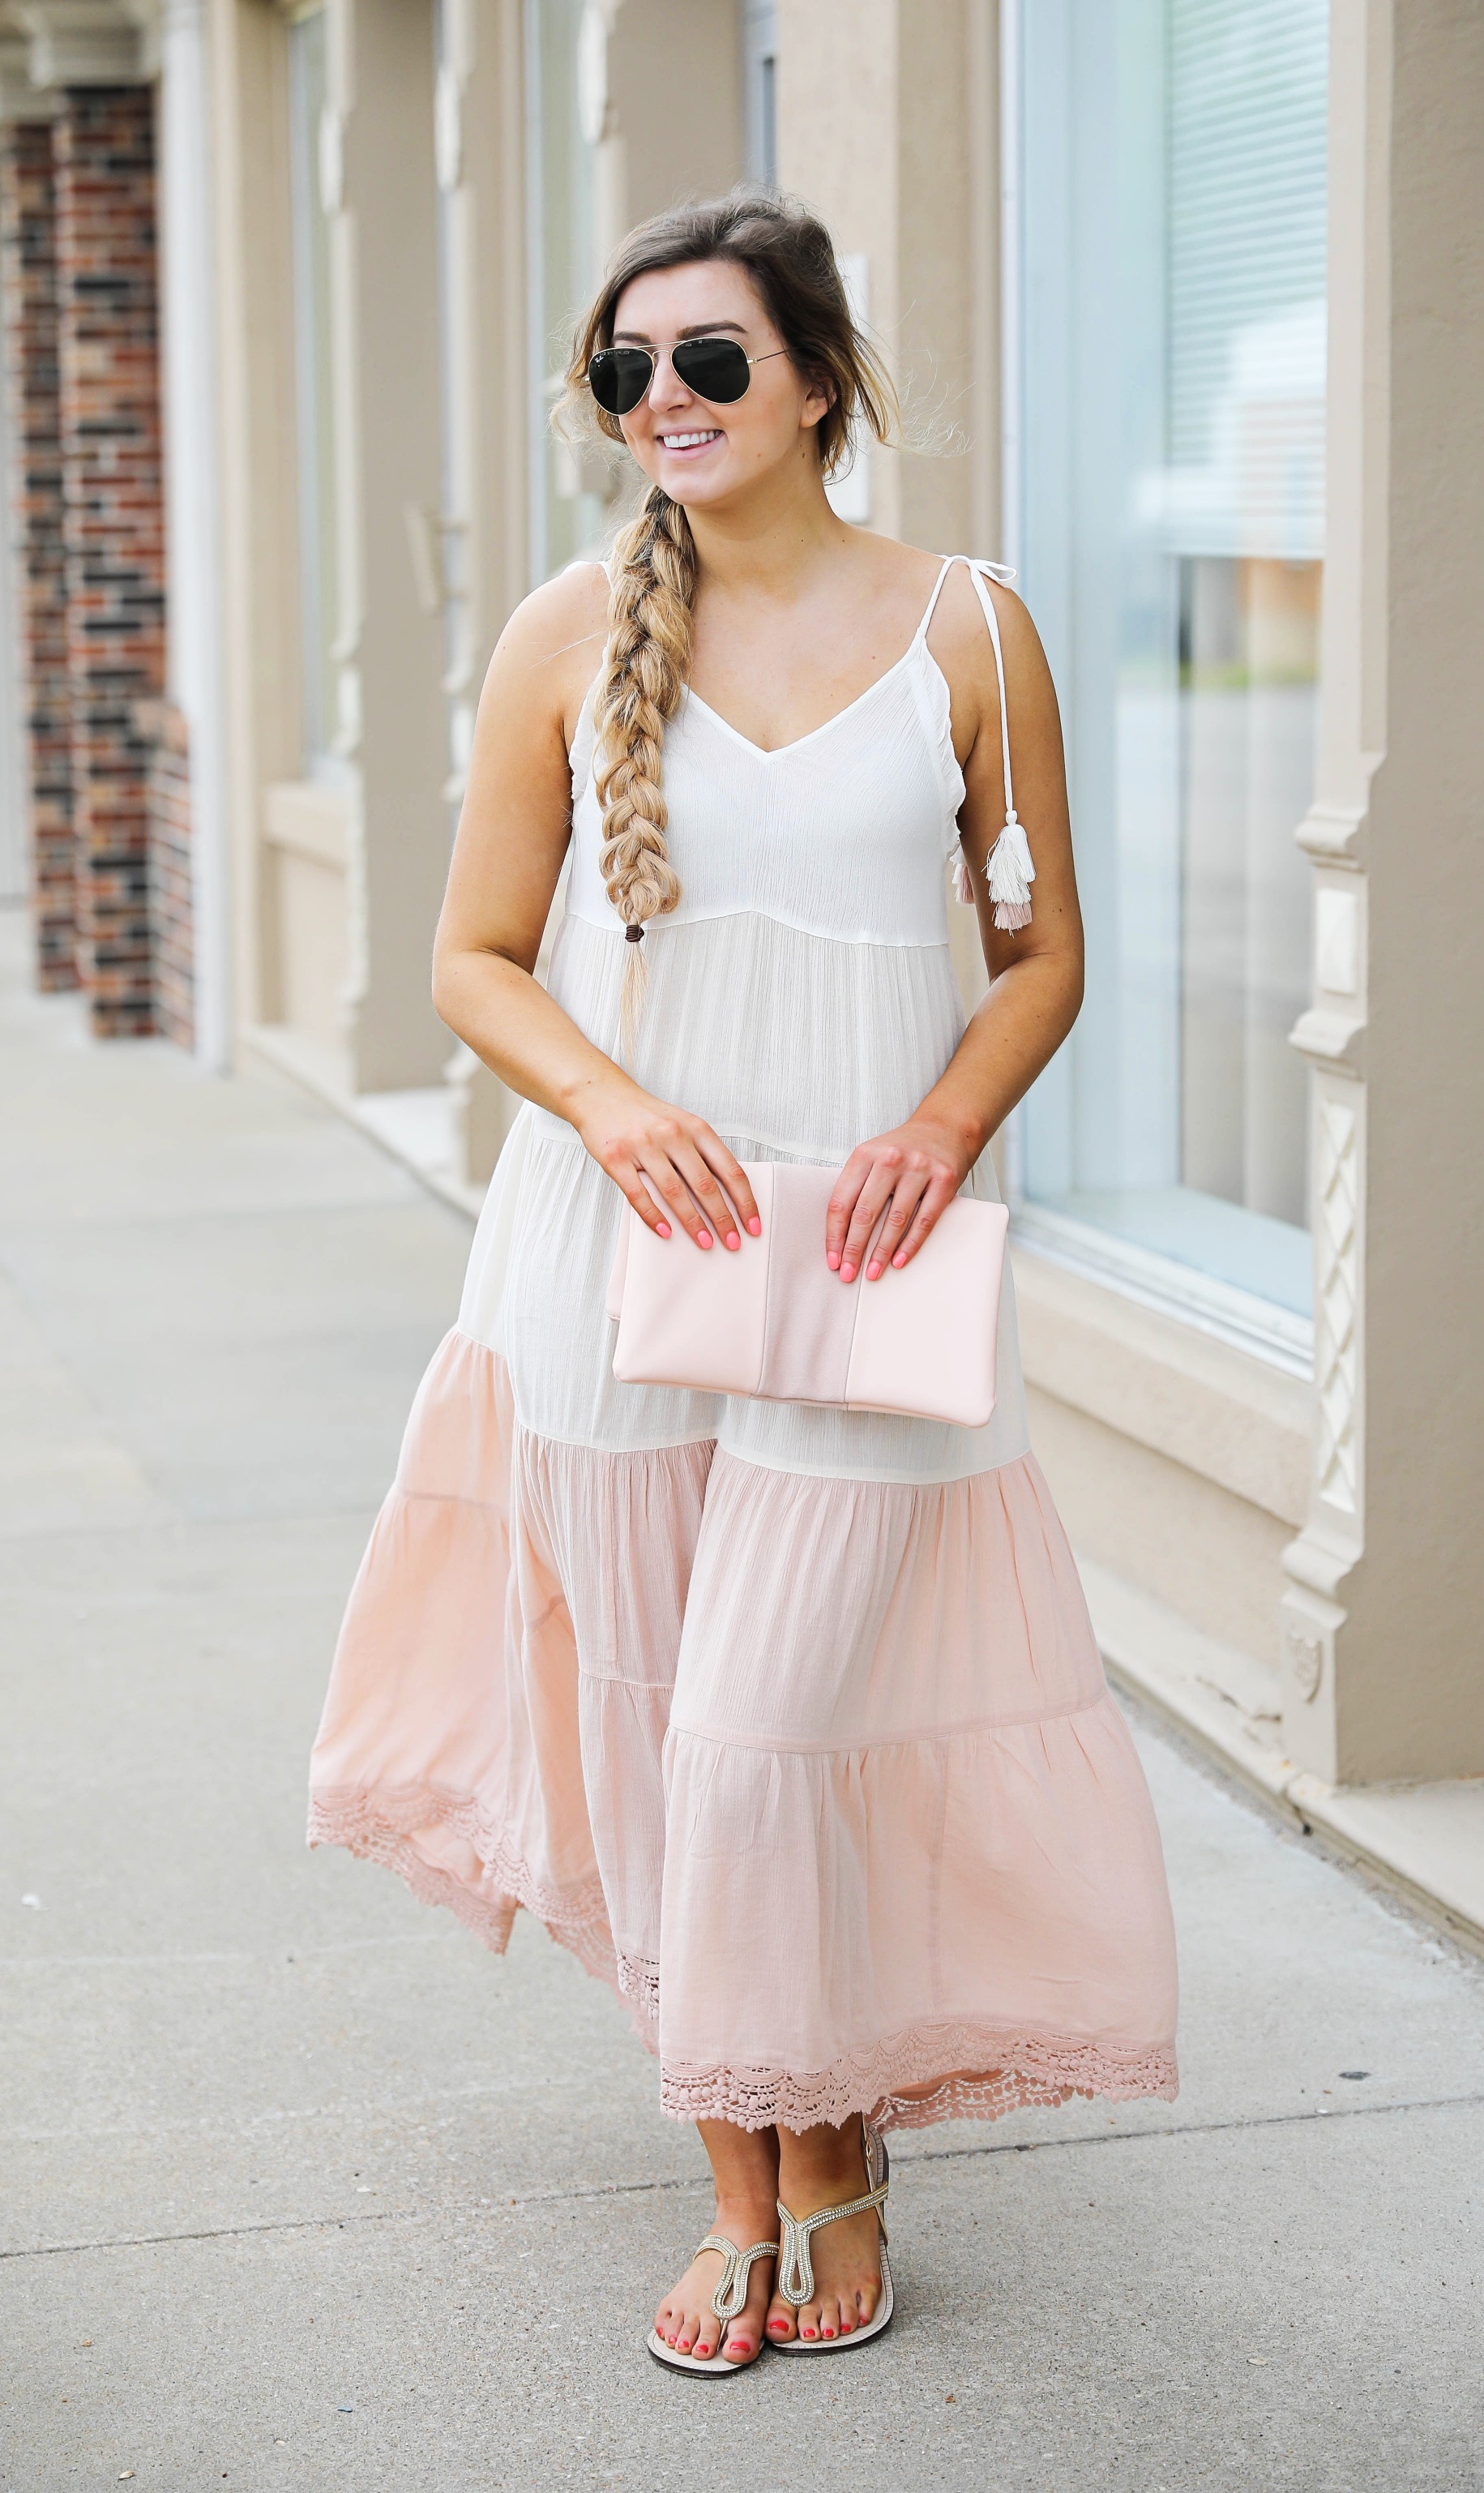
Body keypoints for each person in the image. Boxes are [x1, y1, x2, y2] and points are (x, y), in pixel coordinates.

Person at [310, 186, 1178, 2373]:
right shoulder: (565, 630)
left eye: (707, 361)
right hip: (610, 1268)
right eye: (625, 370)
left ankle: (846, 2148)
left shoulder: (969, 631)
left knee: (781, 1730)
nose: (663, 402)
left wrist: (938, 1127)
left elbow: (1045, 951)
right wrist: (607, 1110)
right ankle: (741, 2180)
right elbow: (468, 962)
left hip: (868, 1266)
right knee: (659, 1743)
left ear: (819, 379)